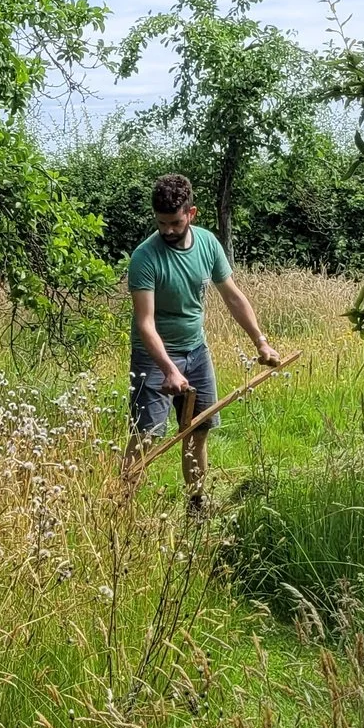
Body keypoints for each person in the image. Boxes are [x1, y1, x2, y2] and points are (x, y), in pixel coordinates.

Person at [125, 174, 281, 511]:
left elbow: (233, 297)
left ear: (191, 214)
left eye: (175, 222)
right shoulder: (144, 257)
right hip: (154, 360)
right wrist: (168, 369)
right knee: (146, 437)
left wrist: (261, 343)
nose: (167, 230)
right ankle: (120, 508)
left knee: (199, 430)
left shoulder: (209, 244)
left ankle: (196, 506)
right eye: (161, 222)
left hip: (196, 352)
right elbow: (145, 324)